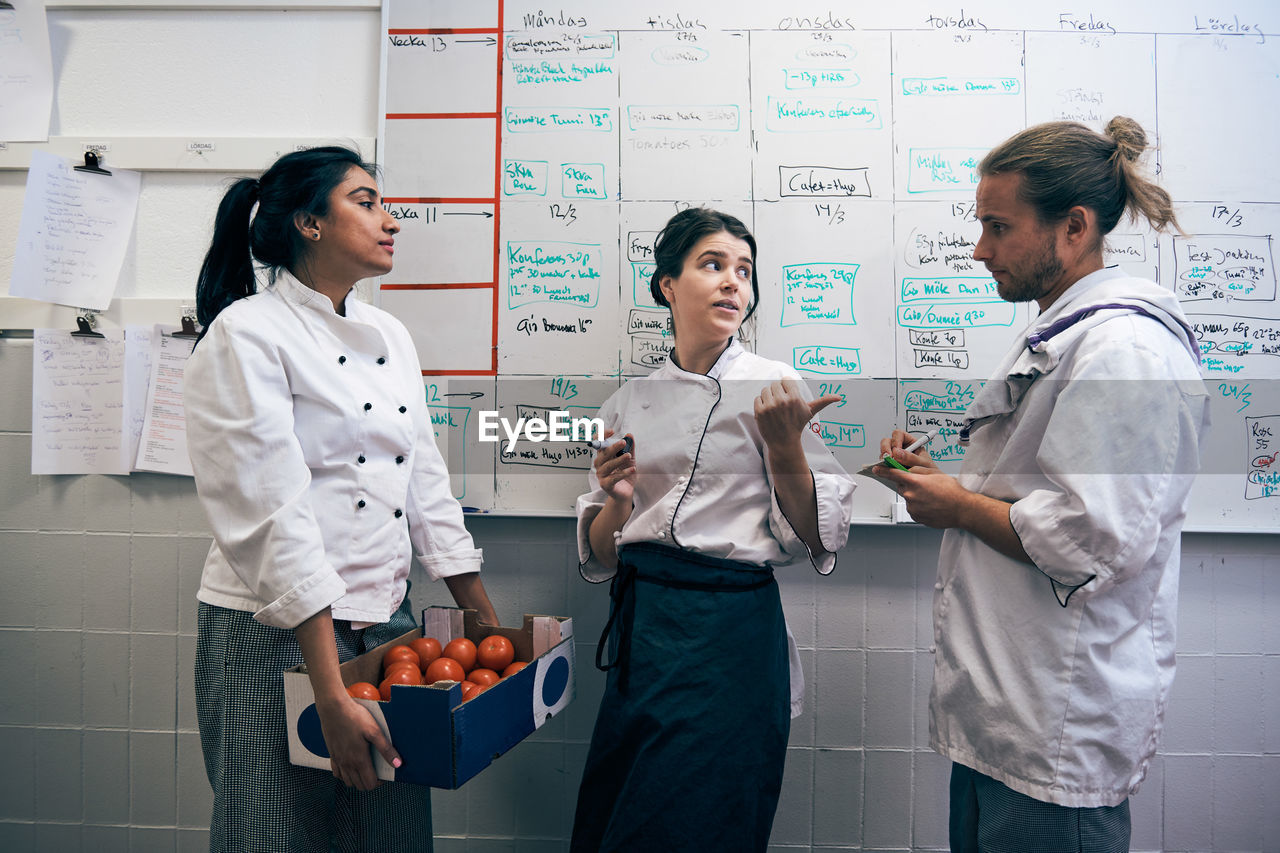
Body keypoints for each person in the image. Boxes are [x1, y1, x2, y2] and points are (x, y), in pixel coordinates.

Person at [875, 118, 1210, 852]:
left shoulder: (1124, 351)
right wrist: (950, 488)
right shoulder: (1073, 334)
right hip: (1010, 722)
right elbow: (1047, 498)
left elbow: (1092, 540)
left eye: (999, 226)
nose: (980, 248)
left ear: (1074, 227)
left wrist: (959, 505)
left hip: (1056, 731)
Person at [185, 146, 499, 853]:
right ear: (309, 223)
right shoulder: (247, 333)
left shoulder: (390, 335)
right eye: (366, 201)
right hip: (271, 636)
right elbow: (275, 517)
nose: (391, 220)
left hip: (386, 627)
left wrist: (484, 619)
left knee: (387, 836)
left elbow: (426, 487)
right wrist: (328, 690)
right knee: (272, 835)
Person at [570, 208, 856, 852]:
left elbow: (817, 537)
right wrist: (616, 503)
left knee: (703, 820)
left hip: (729, 635)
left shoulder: (775, 386)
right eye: (713, 265)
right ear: (667, 285)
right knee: (623, 811)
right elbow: (598, 553)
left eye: (745, 271)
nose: (734, 283)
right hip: (645, 630)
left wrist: (785, 449)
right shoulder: (627, 400)